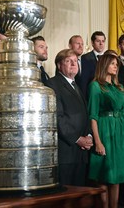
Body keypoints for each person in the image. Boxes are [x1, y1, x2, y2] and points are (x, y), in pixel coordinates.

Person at [87, 53, 124, 208]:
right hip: (104, 130)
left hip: (119, 132)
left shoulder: (119, 87)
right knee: (104, 176)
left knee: (117, 176)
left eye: (117, 64)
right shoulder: (95, 85)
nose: (116, 66)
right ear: (104, 65)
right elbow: (92, 116)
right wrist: (98, 142)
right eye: (113, 63)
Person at [45, 49, 93, 186]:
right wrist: (78, 139)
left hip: (81, 152)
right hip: (66, 152)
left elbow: (85, 114)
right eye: (68, 61)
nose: (73, 63)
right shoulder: (52, 84)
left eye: (75, 61)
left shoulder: (76, 85)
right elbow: (57, 117)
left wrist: (89, 135)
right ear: (59, 66)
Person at [78, 31, 106, 98]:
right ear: (92, 43)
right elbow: (84, 81)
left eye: (103, 41)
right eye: (98, 41)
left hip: (106, 95)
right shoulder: (85, 58)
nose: (101, 43)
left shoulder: (108, 57)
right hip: (92, 94)